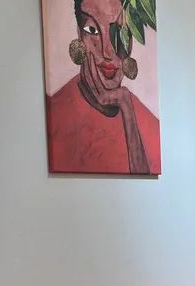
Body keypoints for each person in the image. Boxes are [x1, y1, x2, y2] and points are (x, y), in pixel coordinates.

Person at [46, 0, 161, 175]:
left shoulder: (153, 129)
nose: (107, 52)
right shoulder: (53, 119)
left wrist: (126, 108)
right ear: (80, 36)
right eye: (92, 30)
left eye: (119, 32)